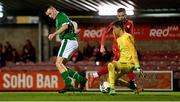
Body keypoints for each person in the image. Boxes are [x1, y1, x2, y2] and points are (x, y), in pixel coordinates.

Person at [89, 8, 135, 87]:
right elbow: (104, 33)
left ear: (126, 15)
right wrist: (102, 46)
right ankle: (132, 82)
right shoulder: (114, 24)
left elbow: (131, 35)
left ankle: (95, 75)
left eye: (123, 15)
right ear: (117, 16)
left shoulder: (130, 23)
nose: (121, 17)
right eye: (119, 16)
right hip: (117, 48)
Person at [45, 5, 86, 92]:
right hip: (72, 42)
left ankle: (69, 85)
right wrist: (75, 29)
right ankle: (81, 79)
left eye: (50, 13)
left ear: (54, 9)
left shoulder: (60, 15)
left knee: (58, 63)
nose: (50, 16)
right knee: (61, 65)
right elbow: (73, 22)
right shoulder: (62, 16)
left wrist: (54, 34)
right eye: (48, 15)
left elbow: (65, 27)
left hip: (68, 40)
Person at [108, 20, 140, 95]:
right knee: (111, 80)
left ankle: (112, 89)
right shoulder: (119, 39)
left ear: (119, 28)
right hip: (122, 63)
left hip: (129, 64)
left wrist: (137, 65)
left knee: (111, 65)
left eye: (114, 28)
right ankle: (132, 86)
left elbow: (133, 50)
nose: (113, 31)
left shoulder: (127, 37)